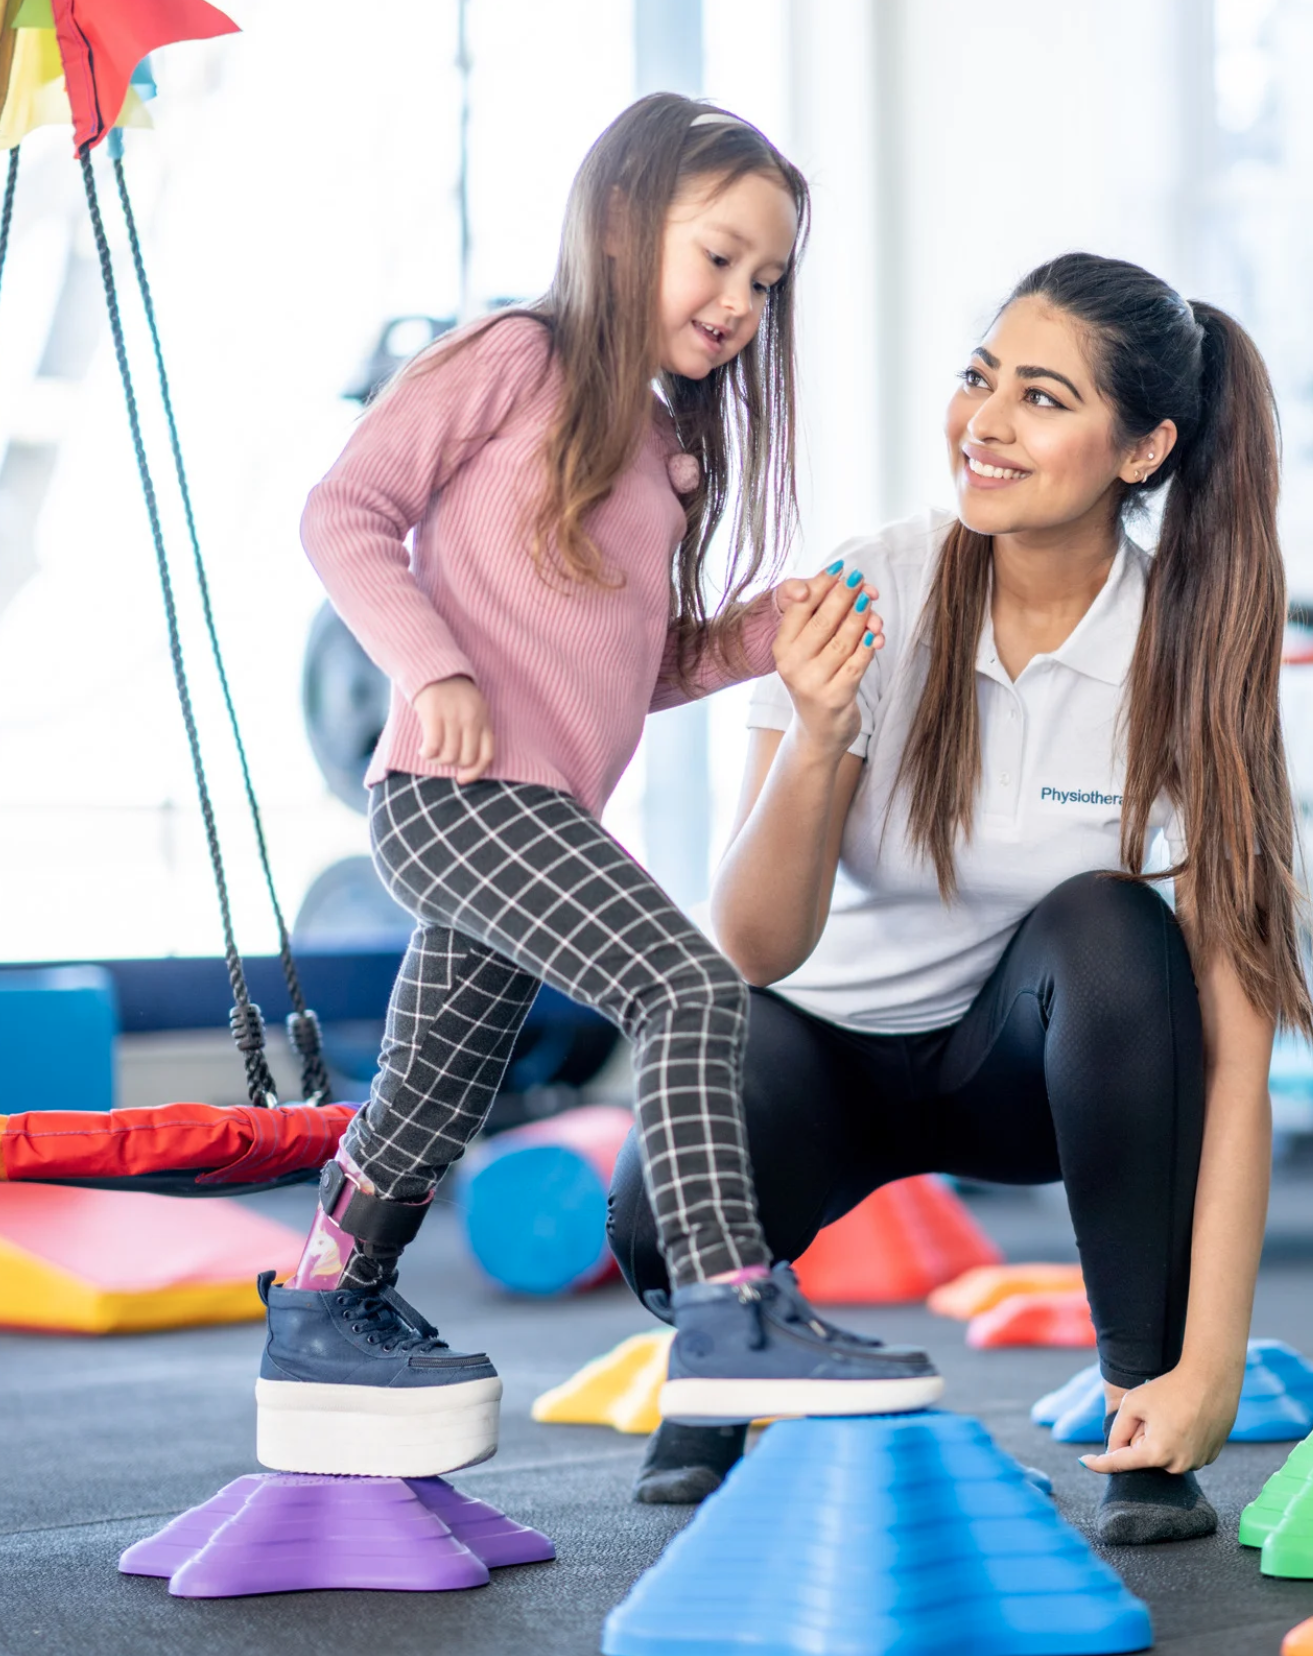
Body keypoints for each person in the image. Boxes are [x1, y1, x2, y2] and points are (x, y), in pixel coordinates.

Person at [269, 93, 939, 1482]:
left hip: (535, 813)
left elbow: (631, 666)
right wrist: (432, 668)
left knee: (431, 1091)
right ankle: (729, 1308)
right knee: (689, 988)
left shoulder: (662, 454)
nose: (739, 299)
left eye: (765, 280)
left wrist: (765, 628)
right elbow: (344, 512)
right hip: (458, 797)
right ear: (626, 227)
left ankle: (329, 1296)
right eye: (717, 256)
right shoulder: (518, 356)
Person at [609, 252, 1313, 1539]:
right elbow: (755, 947)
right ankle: (723, 1346)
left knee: (1115, 931)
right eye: (979, 378)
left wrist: (1212, 1367)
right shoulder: (871, 586)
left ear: (1142, 449)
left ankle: (1143, 1411)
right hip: (817, 1051)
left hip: (1024, 1078)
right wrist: (820, 735)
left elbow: (1238, 1055)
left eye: (1042, 398)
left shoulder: (1188, 653)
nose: (984, 424)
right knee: (653, 1208)